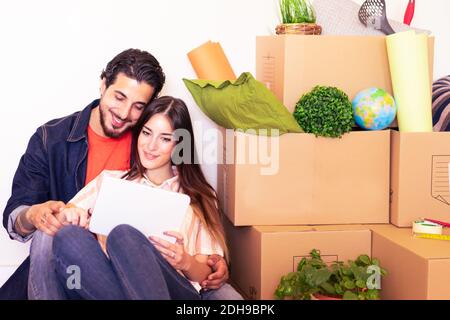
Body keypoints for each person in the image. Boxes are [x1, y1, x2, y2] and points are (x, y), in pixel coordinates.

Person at [1, 49, 240, 300]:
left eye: (138, 106)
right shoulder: (63, 145)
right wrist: (45, 214)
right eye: (119, 97)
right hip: (91, 276)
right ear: (103, 86)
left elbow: (208, 265)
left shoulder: (192, 194)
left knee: (124, 236)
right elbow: (41, 214)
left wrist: (195, 262)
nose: (125, 113)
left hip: (169, 285)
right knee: (56, 234)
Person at [51, 96, 238, 299]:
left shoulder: (198, 196)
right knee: (67, 235)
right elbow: (61, 218)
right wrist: (74, 214)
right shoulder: (110, 181)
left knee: (124, 235)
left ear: (179, 146)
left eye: (165, 138)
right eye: (146, 133)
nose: (151, 146)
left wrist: (185, 261)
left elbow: (208, 275)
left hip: (173, 290)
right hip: (112, 285)